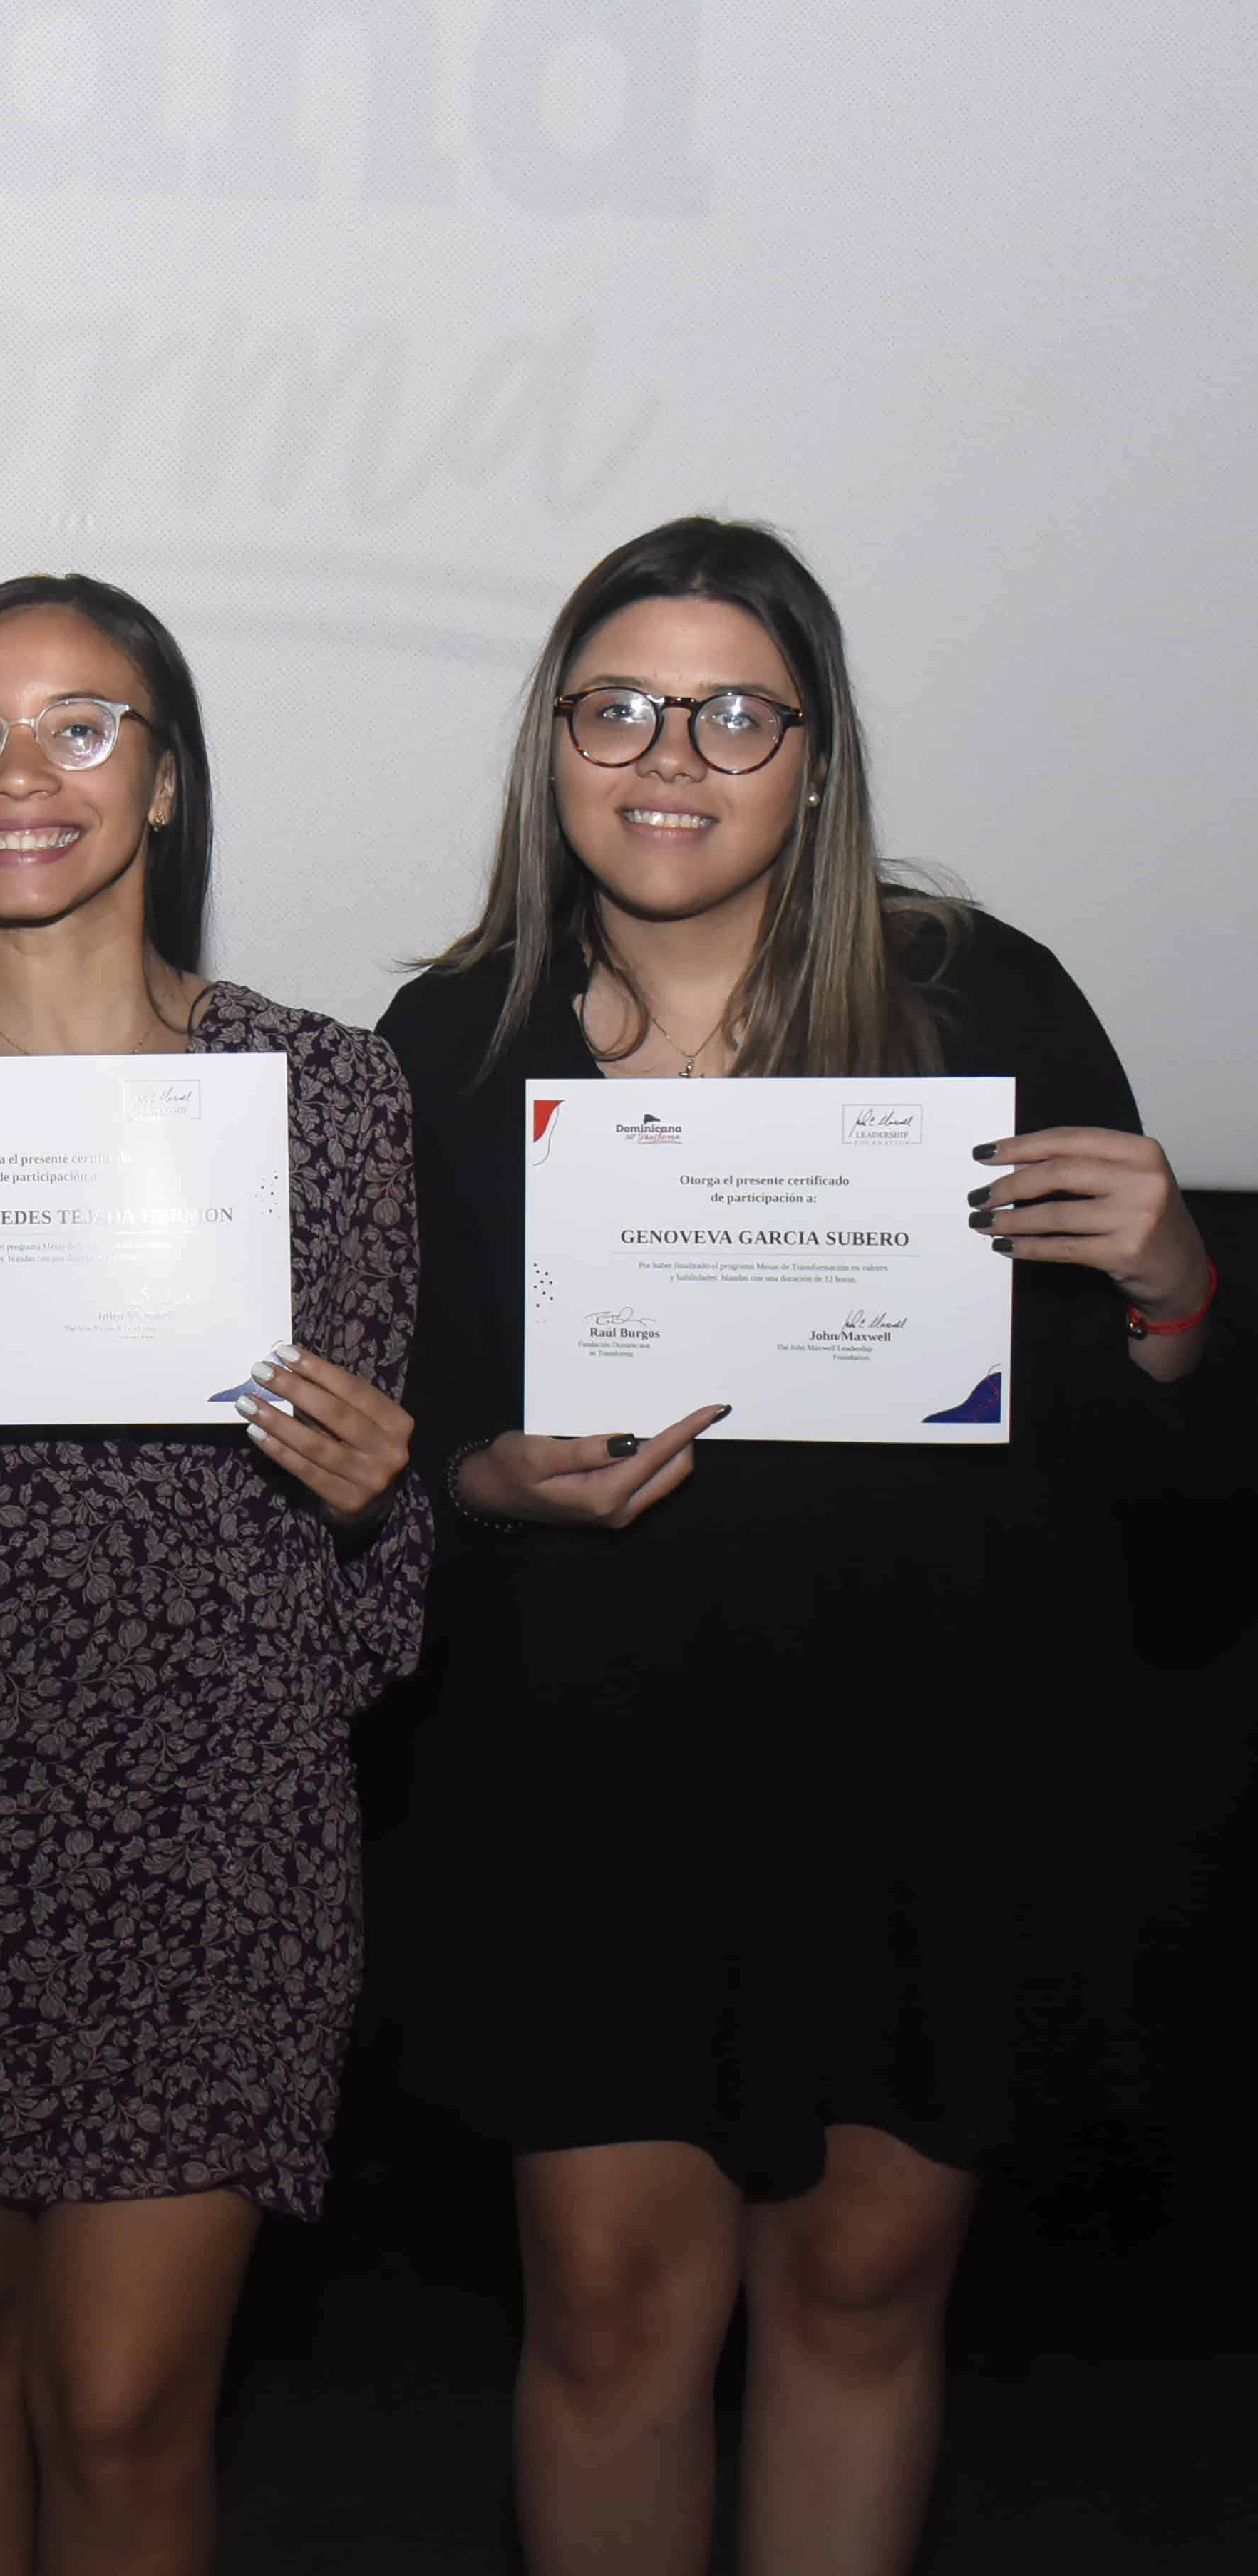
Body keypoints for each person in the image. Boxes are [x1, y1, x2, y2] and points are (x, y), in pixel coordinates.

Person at [378, 516, 1226, 2576]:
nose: (672, 754)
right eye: (619, 707)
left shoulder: (980, 997)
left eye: (736, 712)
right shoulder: (447, 1047)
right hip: (592, 1776)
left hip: (931, 1771)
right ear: (553, 746)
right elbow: (397, 1458)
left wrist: (1179, 1285)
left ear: (819, 760)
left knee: (859, 2301)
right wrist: (490, 1485)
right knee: (606, 2312)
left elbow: (1143, 1461)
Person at [0, 576, 430, 2574]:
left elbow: (382, 1611)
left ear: (165, 782)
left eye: (82, 725)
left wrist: (371, 1492)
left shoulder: (328, 1096)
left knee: (131, 2407)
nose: (18, 774)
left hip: (216, 1810)